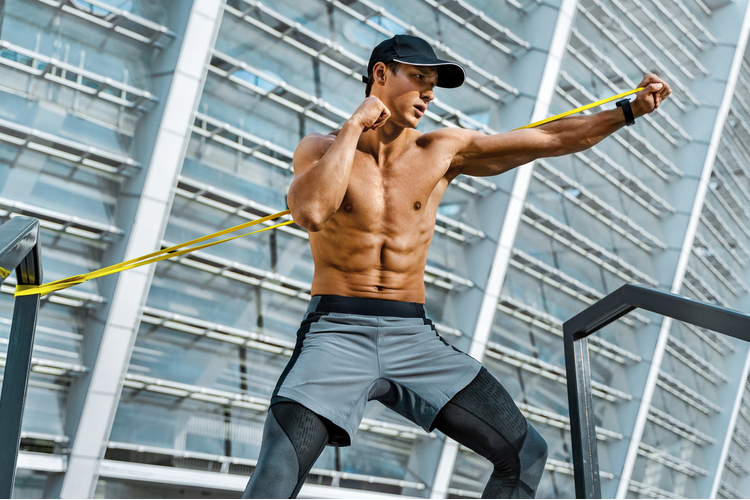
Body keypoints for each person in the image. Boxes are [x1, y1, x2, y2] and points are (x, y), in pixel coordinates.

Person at [243, 34, 671, 499]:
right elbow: (310, 211)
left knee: (525, 454)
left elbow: (549, 138)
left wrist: (628, 111)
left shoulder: (441, 150)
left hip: (414, 337)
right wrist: (353, 126)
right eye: (420, 78)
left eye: (434, 84)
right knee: (275, 475)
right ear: (381, 75)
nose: (429, 93)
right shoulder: (321, 148)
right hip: (337, 331)